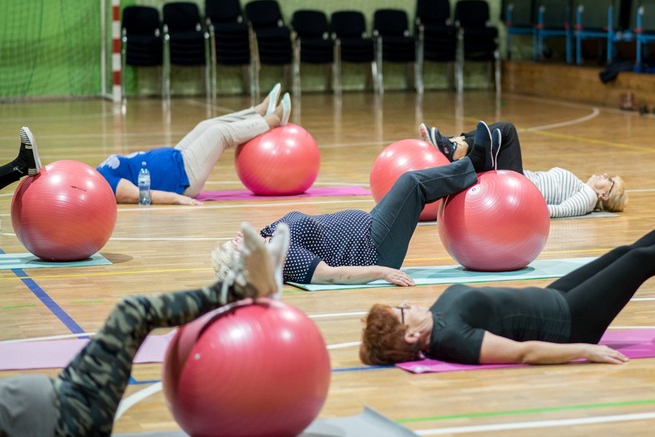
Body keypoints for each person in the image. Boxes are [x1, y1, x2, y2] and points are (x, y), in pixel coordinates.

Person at [358, 160, 655, 366]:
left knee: (622, 253)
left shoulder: (437, 325)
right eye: (403, 311)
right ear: (411, 337)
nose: (409, 304)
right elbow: (523, 353)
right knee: (640, 262)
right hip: (570, 322)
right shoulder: (452, 341)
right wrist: (584, 350)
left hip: (552, 299)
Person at [0, 222, 289, 437]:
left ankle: (244, 285)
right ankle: (242, 287)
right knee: (133, 312)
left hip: (62, 394)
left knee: (133, 312)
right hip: (70, 416)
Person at [211, 121, 503, 287]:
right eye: (235, 245)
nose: (236, 237)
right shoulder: (286, 260)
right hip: (375, 248)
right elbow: (331, 275)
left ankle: (471, 163)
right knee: (411, 184)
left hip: (370, 226)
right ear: (247, 261)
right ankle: (474, 164)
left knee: (410, 187)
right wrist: (381, 271)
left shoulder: (269, 236)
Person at [96, 84, 291, 205]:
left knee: (206, 125)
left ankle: (257, 112)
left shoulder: (99, 172)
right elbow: (142, 196)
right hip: (184, 177)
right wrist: (176, 198)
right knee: (218, 133)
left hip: (176, 157)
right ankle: (272, 120)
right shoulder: (107, 185)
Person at [420, 122, 627, 215]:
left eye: (610, 181)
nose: (606, 175)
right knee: (491, 142)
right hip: (517, 183)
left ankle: (457, 146)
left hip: (518, 191)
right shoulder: (584, 189)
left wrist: (521, 210)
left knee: (507, 130)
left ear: (605, 195)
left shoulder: (588, 198)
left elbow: (558, 211)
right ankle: (455, 146)